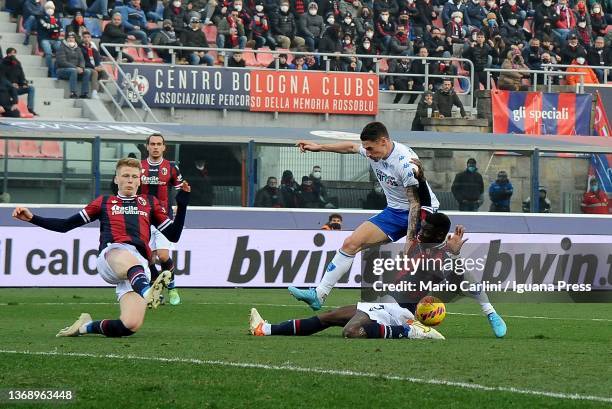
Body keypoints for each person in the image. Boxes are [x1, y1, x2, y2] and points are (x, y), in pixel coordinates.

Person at [12, 158, 191, 338]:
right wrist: (32, 218)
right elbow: (65, 225)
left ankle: (84, 326)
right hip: (111, 255)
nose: (130, 180)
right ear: (116, 179)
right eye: (125, 175)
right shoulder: (104, 202)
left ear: (140, 180)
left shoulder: (149, 202)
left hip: (138, 267)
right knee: (123, 253)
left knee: (129, 325)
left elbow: (173, 235)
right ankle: (147, 291)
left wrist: (182, 204)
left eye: (134, 176)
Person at [255, 214, 506, 338]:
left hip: (402, 311)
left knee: (351, 331)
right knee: (330, 316)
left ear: (440, 234)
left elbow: (466, 282)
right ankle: (264, 329)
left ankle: (409, 333)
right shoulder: (420, 243)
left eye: (427, 229)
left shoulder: (443, 255)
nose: (421, 231)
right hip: (385, 302)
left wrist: (454, 255)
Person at [288, 122, 439, 310]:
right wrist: (319, 147)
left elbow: (415, 203)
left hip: (423, 213)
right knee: (350, 244)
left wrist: (410, 239)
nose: (367, 153)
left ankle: (418, 314)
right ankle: (319, 294)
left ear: (383, 141)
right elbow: (351, 147)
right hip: (394, 211)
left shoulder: (405, 163)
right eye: (366, 148)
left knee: (420, 268)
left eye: (370, 148)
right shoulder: (374, 151)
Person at [140, 133, 185, 306]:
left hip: (163, 217)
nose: (156, 147)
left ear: (164, 147)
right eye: (152, 144)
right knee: (147, 258)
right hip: (142, 217)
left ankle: (172, 287)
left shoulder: (171, 168)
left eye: (159, 144)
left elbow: (181, 188)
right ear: (147, 146)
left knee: (163, 255)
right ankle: (154, 289)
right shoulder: (139, 167)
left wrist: (179, 207)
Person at [56, 32, 93, 99]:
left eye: (72, 38)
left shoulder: (78, 49)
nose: (71, 39)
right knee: (73, 71)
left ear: (75, 39)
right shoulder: (61, 47)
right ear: (66, 39)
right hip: (62, 70)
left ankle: (84, 93)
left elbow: (82, 60)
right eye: (69, 38)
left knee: (87, 71)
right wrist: (76, 68)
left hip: (76, 70)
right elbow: (62, 62)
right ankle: (73, 93)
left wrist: (81, 67)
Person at [0, 48, 37, 116]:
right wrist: (11, 84)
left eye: (14, 53)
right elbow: (2, 78)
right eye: (11, 53)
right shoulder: (2, 63)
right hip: (7, 89)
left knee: (31, 88)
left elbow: (21, 75)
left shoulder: (18, 63)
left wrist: (24, 83)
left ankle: (30, 108)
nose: (13, 55)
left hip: (17, 87)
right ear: (8, 54)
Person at [37, 1, 62, 78]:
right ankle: (50, 71)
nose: (50, 10)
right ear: (45, 8)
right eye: (48, 8)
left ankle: (56, 69)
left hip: (55, 39)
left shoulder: (56, 16)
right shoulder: (40, 16)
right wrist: (54, 27)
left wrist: (53, 27)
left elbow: (59, 27)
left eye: (51, 8)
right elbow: (45, 26)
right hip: (44, 38)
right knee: (48, 53)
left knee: (61, 53)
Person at [79, 31, 107, 100]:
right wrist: (95, 67)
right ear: (82, 38)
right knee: (95, 72)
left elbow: (97, 60)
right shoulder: (79, 49)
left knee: (104, 73)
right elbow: (82, 61)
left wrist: (98, 66)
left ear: (90, 38)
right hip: (85, 67)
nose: (86, 39)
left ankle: (100, 92)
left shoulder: (94, 49)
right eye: (85, 37)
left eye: (88, 37)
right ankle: (94, 92)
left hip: (94, 67)